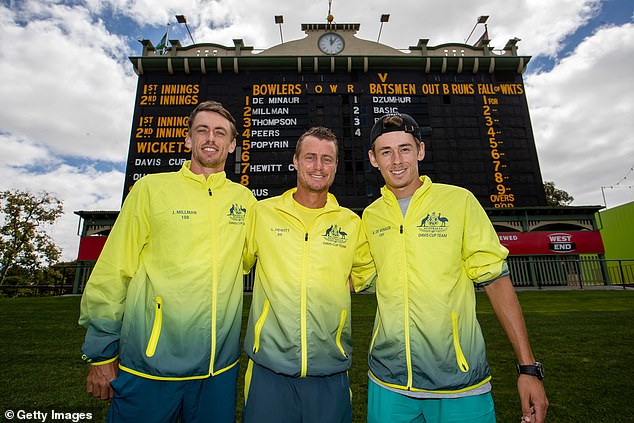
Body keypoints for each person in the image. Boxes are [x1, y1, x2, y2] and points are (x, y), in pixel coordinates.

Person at [361, 113, 548, 423]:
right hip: (388, 385)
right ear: (373, 158)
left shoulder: (460, 202)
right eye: (386, 151)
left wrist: (528, 368)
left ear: (420, 151)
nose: (396, 160)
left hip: (460, 385)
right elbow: (355, 277)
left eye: (405, 149)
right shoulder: (371, 216)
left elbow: (496, 282)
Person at [79, 101, 256, 422]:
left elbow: (255, 257)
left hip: (218, 372)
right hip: (149, 368)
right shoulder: (150, 189)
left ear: (232, 145)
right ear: (188, 139)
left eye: (220, 133)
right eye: (202, 131)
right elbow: (113, 271)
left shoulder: (244, 201)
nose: (210, 139)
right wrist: (99, 351)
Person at [241, 127, 375, 423]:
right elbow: (238, 262)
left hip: (330, 372)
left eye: (327, 159)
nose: (318, 167)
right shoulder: (262, 213)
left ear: (336, 166)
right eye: (310, 157)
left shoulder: (351, 223)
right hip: (268, 371)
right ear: (296, 161)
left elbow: (361, 276)